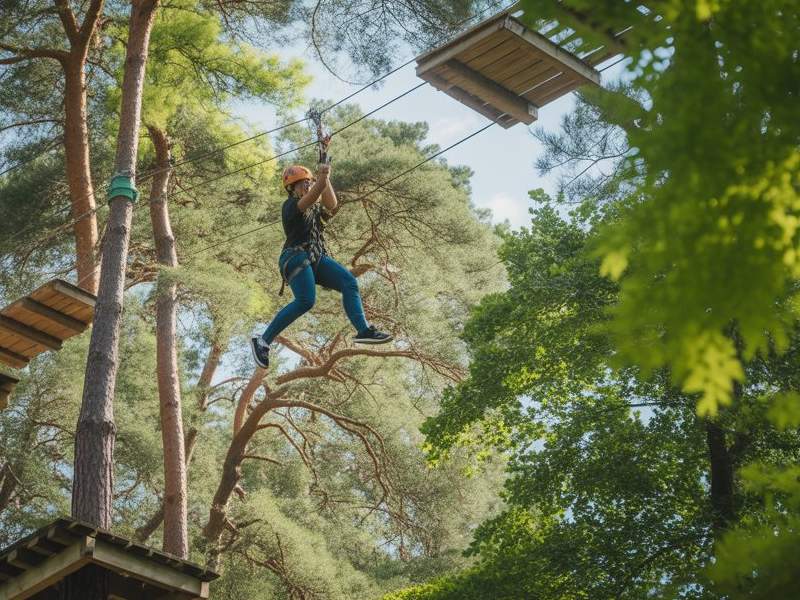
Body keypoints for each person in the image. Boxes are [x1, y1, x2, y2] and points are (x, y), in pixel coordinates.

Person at [250, 160, 392, 369]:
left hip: (315, 258)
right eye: (301, 184)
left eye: (308, 183)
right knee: (306, 300)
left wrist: (325, 176)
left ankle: (363, 331)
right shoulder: (291, 206)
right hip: (295, 257)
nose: (306, 186)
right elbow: (312, 197)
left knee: (349, 282)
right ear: (292, 189)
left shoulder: (315, 211)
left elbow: (331, 204)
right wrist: (321, 178)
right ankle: (262, 341)